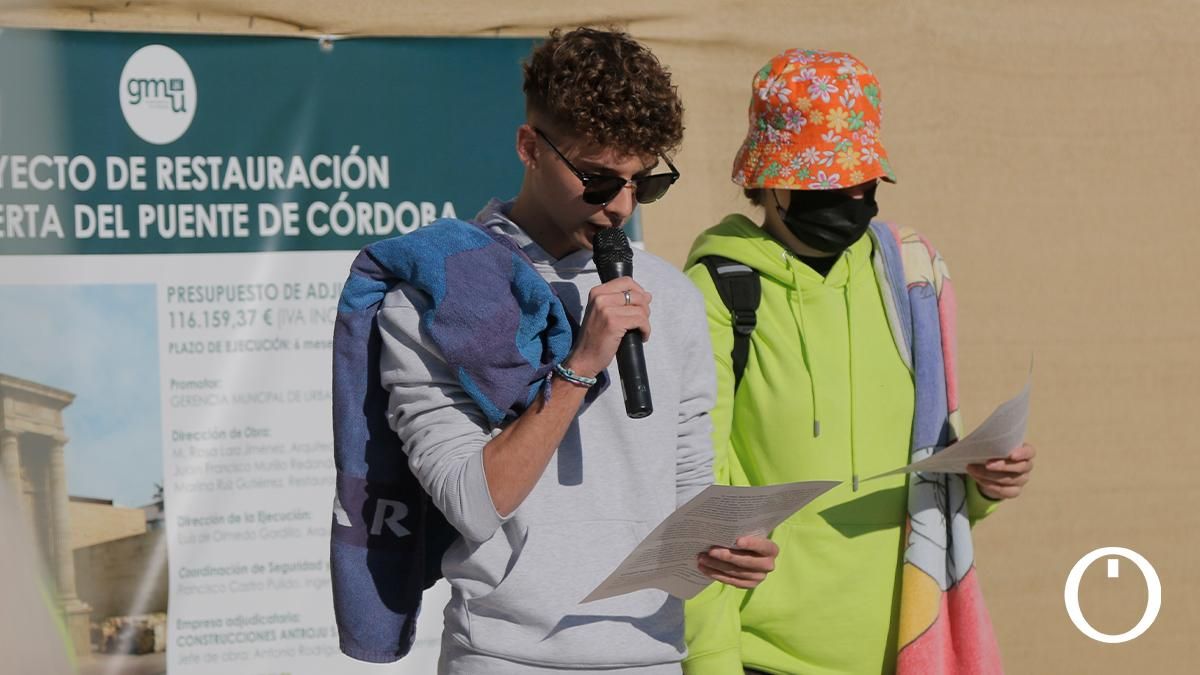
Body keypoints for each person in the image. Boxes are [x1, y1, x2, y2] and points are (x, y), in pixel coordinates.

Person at [333, 27, 779, 674]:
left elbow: (687, 490)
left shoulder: (673, 298)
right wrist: (578, 367)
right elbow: (473, 501)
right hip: (505, 655)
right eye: (598, 182)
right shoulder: (434, 295)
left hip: (653, 653)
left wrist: (729, 546)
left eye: (642, 183)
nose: (621, 205)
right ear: (529, 148)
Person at [681, 49, 1036, 675]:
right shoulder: (719, 292)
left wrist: (983, 486)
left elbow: (929, 463)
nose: (852, 199)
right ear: (772, 182)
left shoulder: (908, 281)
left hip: (909, 647)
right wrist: (711, 662)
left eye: (863, 183)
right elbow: (696, 502)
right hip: (768, 658)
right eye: (829, 185)